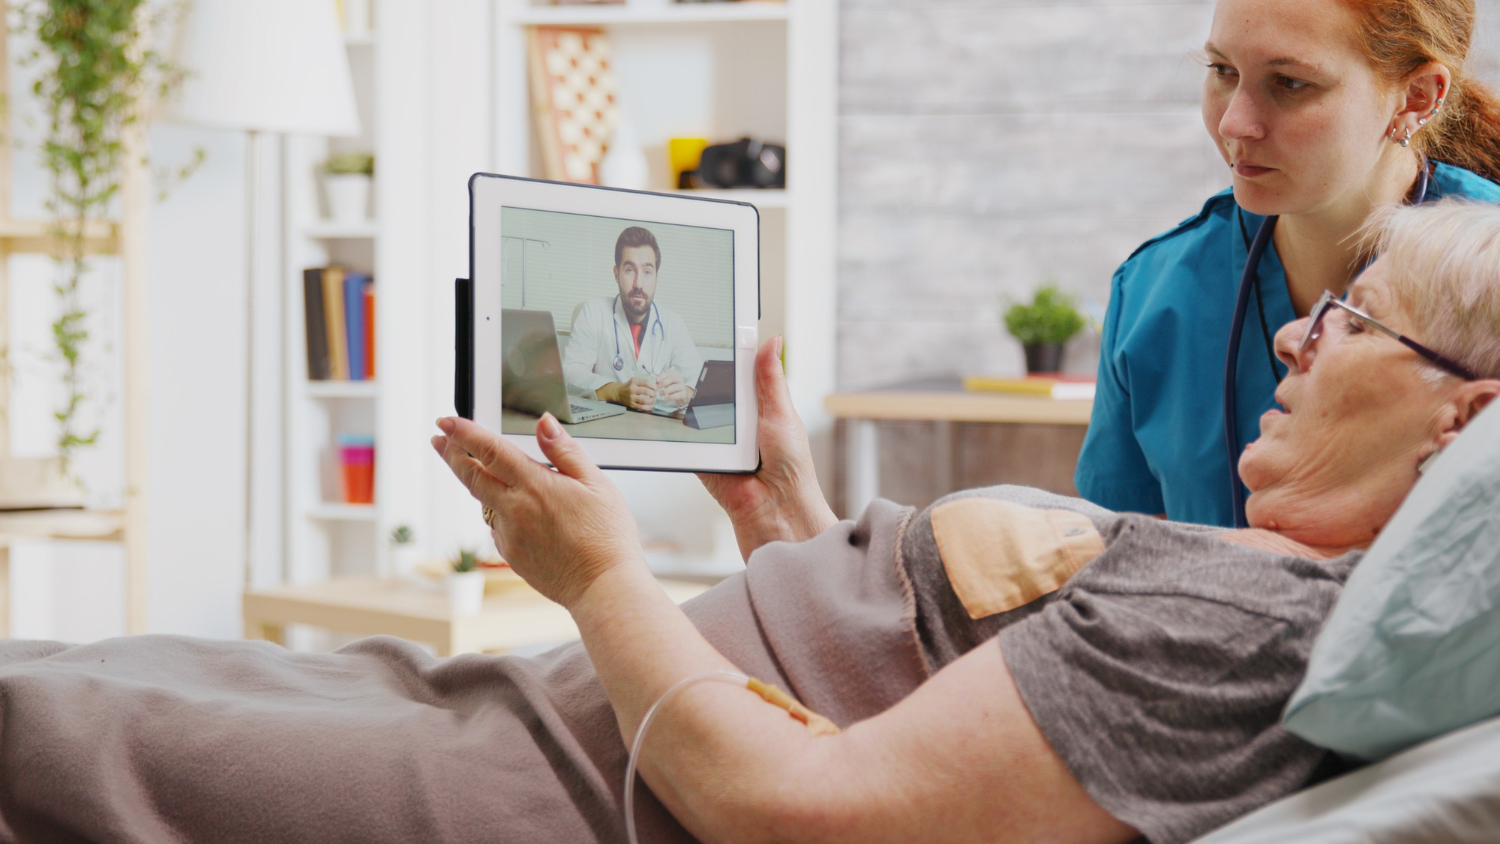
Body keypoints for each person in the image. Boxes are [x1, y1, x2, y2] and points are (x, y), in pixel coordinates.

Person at [0, 202, 1495, 842]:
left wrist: (600, 575)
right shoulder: (1259, 576)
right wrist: (781, 508)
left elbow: (808, 813)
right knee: (88, 674)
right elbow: (899, 675)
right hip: (559, 708)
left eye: (1354, 321)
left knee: (59, 724)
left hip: (582, 778)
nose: (1297, 338)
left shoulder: (1240, 632)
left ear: (1462, 418)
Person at [1075, 0, 1500, 527]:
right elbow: (1120, 554)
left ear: (1416, 97)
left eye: (1290, 83)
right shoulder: (1153, 295)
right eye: (1223, 71)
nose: (1235, 123)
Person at [562, 225, 704, 413]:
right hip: (607, 427)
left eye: (647, 272)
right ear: (616, 274)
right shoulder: (593, 312)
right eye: (630, 270)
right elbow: (569, 374)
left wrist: (685, 392)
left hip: (658, 431)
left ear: (656, 277)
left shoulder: (673, 323)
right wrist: (616, 391)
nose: (638, 284)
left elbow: (698, 383)